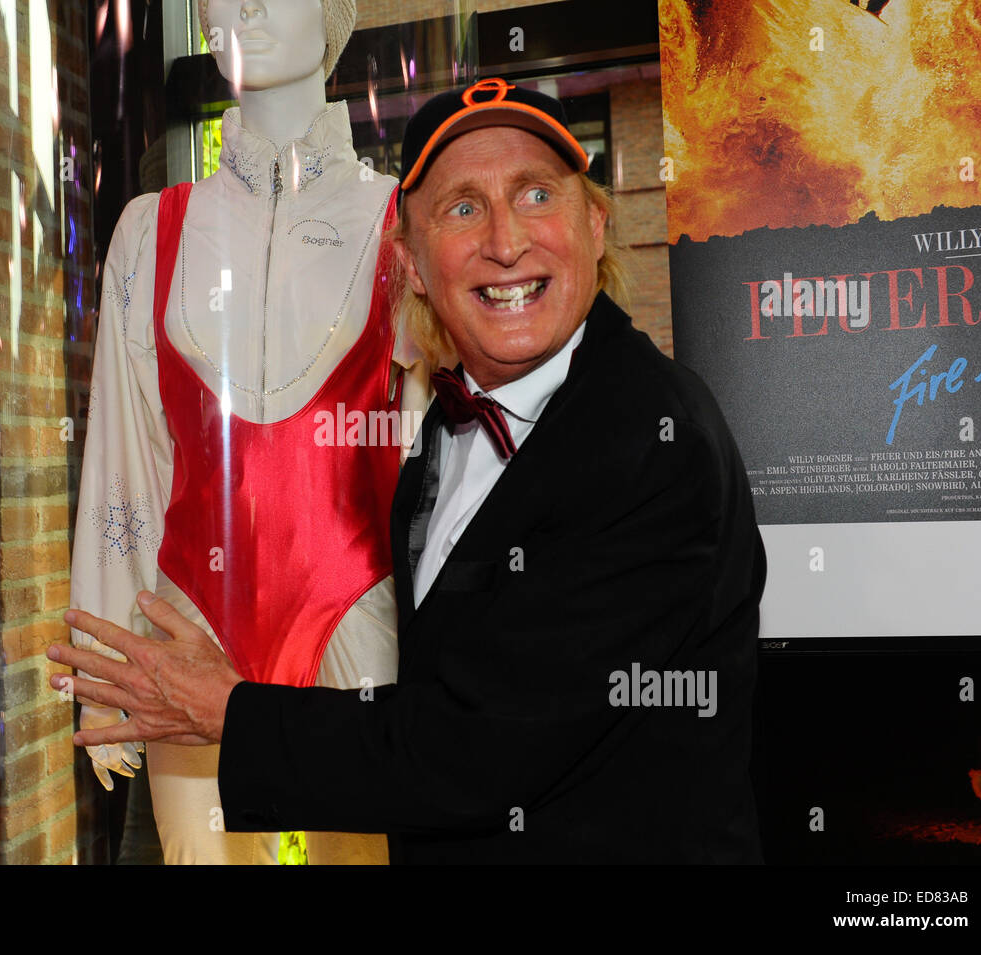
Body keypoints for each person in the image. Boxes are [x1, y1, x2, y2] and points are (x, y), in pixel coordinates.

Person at [55, 77, 767, 863]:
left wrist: (230, 712)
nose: (505, 241)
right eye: (462, 207)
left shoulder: (652, 442)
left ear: (595, 225)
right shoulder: (440, 435)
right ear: (413, 265)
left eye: (535, 194)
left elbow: (479, 750)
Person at [68, 0, 429, 864]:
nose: (246, 10)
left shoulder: (403, 222)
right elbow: (127, 464)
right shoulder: (151, 230)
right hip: (189, 624)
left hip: (360, 631)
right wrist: (104, 669)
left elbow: (434, 465)